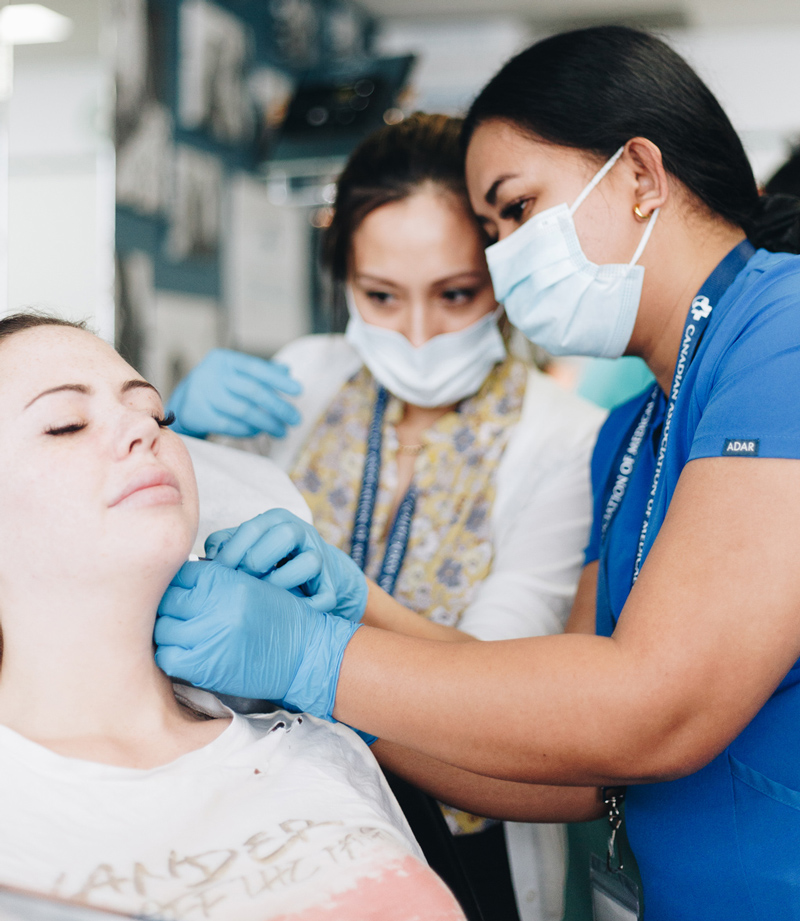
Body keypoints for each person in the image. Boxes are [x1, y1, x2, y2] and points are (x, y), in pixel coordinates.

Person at [155, 25, 800, 918]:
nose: (507, 258)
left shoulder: (785, 331)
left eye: (518, 209)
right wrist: (355, 612)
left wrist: (316, 657)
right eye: (493, 229)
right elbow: (576, 751)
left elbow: (653, 706)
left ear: (642, 176)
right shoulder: (633, 428)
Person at [168, 113, 604, 921]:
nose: (416, 333)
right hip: (277, 812)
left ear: (502, 277)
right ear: (343, 282)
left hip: (462, 829)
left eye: (456, 294)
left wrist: (330, 633)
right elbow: (183, 552)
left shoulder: (564, 440)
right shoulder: (305, 375)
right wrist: (177, 442)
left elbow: (505, 683)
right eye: (379, 296)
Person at [0, 313, 467, 921]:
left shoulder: (317, 749)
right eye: (66, 424)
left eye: (158, 415)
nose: (145, 430)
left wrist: (334, 645)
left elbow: (587, 772)